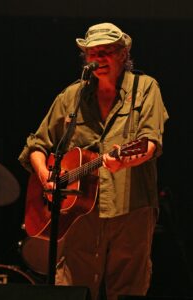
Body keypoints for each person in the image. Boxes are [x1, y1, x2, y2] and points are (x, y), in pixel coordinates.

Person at [19, 22, 169, 300]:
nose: (98, 59)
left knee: (128, 290)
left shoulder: (146, 88)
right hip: (79, 215)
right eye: (92, 53)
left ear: (123, 53)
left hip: (131, 208)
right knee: (73, 288)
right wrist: (46, 177)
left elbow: (149, 143)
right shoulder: (71, 96)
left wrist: (123, 162)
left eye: (107, 52)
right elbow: (36, 146)